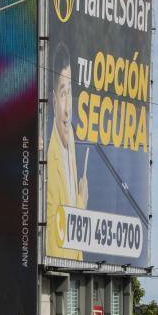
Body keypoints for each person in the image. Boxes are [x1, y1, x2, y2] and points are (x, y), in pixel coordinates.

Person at [45, 43, 88, 261]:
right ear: (53, 100)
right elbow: (53, 239)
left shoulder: (69, 135)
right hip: (61, 265)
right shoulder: (48, 161)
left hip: (76, 263)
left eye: (70, 92)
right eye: (63, 93)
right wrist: (81, 203)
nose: (68, 107)